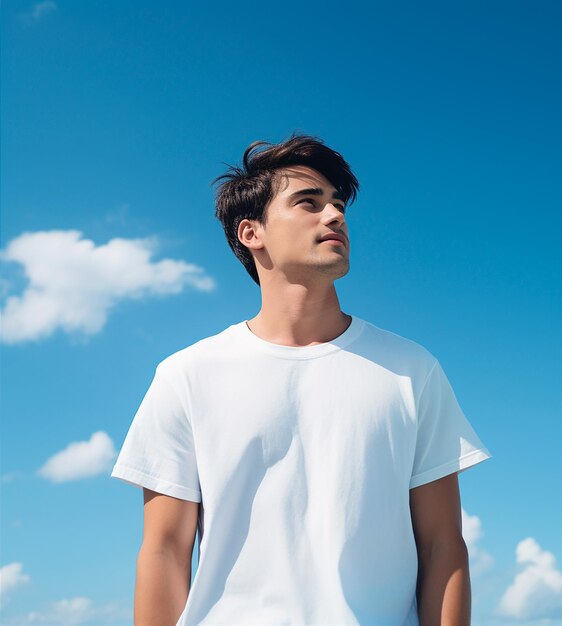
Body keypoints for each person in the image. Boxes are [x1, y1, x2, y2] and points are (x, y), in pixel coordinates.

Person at [111, 132, 493, 626]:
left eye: (337, 204)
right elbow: (165, 549)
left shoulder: (411, 370)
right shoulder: (186, 375)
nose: (334, 216)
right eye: (308, 203)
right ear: (252, 233)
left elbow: (443, 545)